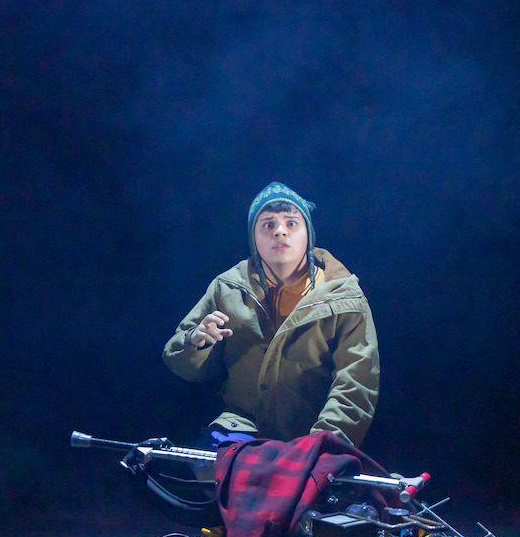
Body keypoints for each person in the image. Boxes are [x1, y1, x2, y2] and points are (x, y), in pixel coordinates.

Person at [163, 182, 380, 452]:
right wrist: (196, 341)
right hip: (239, 430)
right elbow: (181, 362)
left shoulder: (344, 297)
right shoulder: (228, 288)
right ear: (254, 236)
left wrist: (321, 446)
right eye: (267, 225)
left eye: (291, 223)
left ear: (308, 234)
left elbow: (355, 384)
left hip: (311, 437)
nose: (280, 231)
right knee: (196, 478)